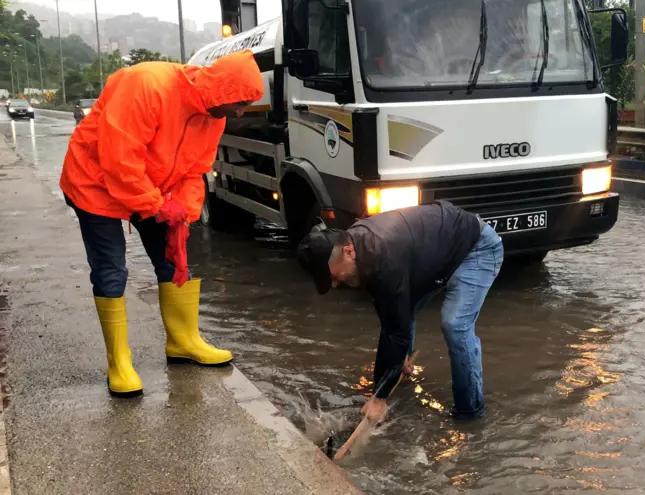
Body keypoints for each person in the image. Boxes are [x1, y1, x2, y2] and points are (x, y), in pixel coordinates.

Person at [59, 50, 265, 397]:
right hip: (94, 182)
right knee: (112, 269)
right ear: (222, 91)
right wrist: (156, 205)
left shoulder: (215, 115)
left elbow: (194, 169)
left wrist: (182, 211)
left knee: (173, 259)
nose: (240, 112)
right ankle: (119, 363)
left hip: (152, 188)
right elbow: (119, 158)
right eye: (239, 103)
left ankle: (183, 342)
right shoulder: (148, 85)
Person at [296, 200, 504, 421]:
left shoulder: (383, 256)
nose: (335, 284)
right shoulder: (359, 248)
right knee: (401, 310)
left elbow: (395, 330)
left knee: (455, 325)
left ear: (348, 252)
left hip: (477, 247)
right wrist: (395, 362)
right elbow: (389, 310)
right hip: (436, 251)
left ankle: (470, 413)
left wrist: (378, 397)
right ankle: (401, 373)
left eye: (334, 277)